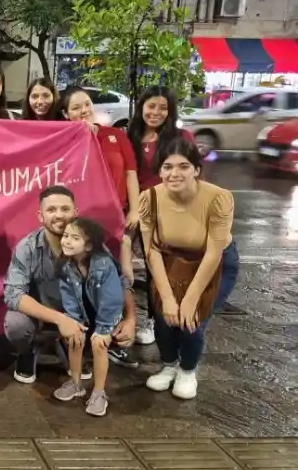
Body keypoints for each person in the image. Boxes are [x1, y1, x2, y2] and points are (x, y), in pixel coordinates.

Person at [3, 186, 136, 384]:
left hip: (81, 316)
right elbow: (13, 294)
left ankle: (73, 347)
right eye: (51, 210)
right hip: (42, 315)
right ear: (40, 216)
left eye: (65, 209)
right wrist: (60, 320)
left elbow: (119, 280)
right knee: (16, 324)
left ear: (75, 212)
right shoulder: (27, 247)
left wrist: (131, 319)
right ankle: (27, 352)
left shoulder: (91, 245)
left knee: (110, 316)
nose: (59, 215)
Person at [139, 138, 237, 400]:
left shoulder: (219, 198)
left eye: (183, 166)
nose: (175, 173)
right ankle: (169, 365)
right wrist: (168, 299)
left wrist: (190, 300)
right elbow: (151, 251)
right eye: (167, 167)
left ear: (196, 169)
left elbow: (214, 253)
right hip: (171, 259)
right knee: (164, 317)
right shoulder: (149, 198)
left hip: (213, 261)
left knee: (191, 320)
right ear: (160, 171)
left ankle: (187, 370)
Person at [62, 86, 140, 369]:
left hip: (114, 221)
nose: (83, 111)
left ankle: (117, 336)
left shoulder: (115, 136)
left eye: (86, 104)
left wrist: (134, 209)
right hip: (81, 225)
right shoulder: (64, 140)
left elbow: (130, 173)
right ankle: (83, 341)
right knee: (83, 280)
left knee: (118, 278)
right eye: (75, 108)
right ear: (65, 114)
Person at [127, 86, 197, 345]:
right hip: (141, 212)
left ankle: (179, 318)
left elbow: (195, 173)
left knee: (174, 268)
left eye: (163, 108)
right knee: (150, 268)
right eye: (151, 106)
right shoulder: (131, 136)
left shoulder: (181, 137)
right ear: (141, 107)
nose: (156, 112)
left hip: (173, 212)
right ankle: (153, 320)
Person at [53, 217, 124, 417]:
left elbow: (111, 299)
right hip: (83, 312)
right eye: (66, 236)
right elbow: (68, 297)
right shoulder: (66, 266)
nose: (67, 241)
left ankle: (99, 393)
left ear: (89, 245)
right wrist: (73, 322)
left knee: (98, 344)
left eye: (75, 238)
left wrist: (104, 329)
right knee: (74, 338)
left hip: (106, 315)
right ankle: (75, 383)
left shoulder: (104, 265)